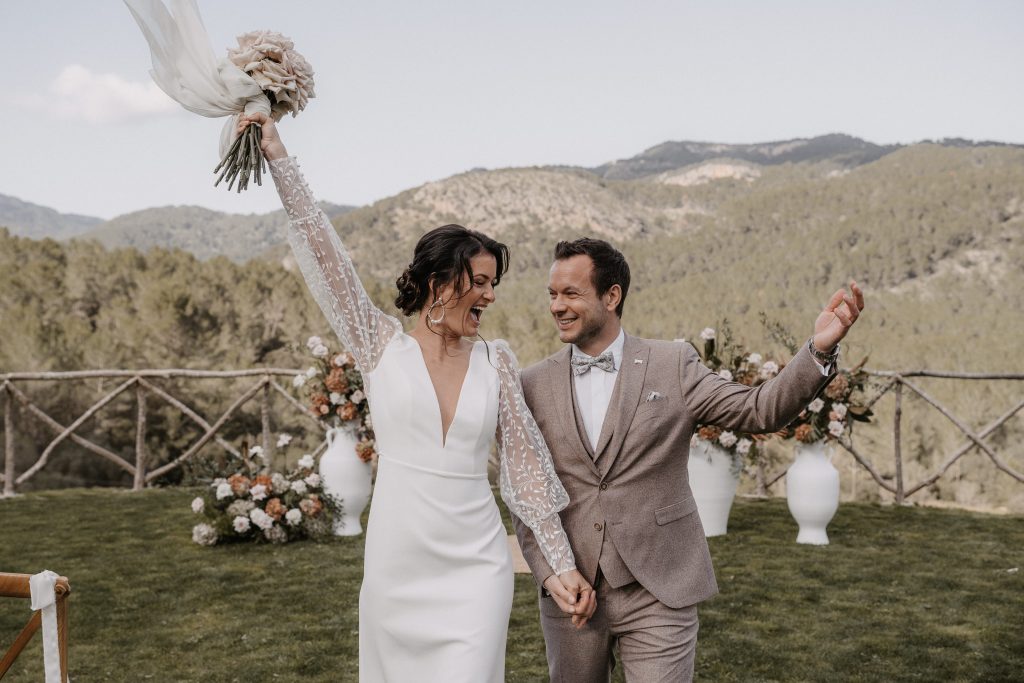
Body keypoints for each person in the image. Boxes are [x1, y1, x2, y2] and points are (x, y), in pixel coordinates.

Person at [240, 112, 595, 682]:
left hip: (477, 566)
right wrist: (278, 156)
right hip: (397, 565)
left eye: (493, 284)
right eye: (480, 282)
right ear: (439, 284)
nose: (490, 296)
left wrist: (559, 566)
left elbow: (526, 472)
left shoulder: (496, 361)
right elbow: (327, 256)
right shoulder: (379, 343)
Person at [513, 237, 865, 682]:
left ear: (611, 295)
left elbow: (759, 409)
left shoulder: (673, 364)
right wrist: (551, 575)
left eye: (571, 293)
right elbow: (526, 495)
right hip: (573, 594)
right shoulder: (531, 384)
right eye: (552, 294)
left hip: (660, 588)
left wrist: (819, 350)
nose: (557, 306)